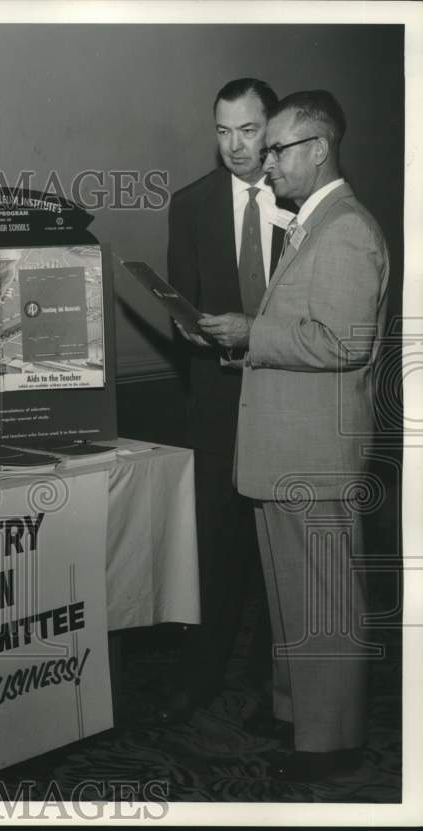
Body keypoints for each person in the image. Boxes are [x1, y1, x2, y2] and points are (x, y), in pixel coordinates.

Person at [196, 90, 389, 782]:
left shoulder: (347, 229)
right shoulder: (314, 221)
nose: (265, 162)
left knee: (322, 601)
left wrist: (253, 332)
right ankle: (295, 715)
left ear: (319, 149)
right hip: (288, 450)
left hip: (314, 454)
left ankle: (331, 742)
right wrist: (245, 342)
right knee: (290, 597)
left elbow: (343, 341)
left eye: (277, 148)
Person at [162, 78, 287, 726]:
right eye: (222, 131)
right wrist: (187, 328)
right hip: (216, 405)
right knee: (213, 548)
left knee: (278, 557)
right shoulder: (191, 205)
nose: (235, 146)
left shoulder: (301, 202)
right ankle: (200, 676)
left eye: (248, 130)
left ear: (273, 129)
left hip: (287, 399)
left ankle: (275, 684)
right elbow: (180, 305)